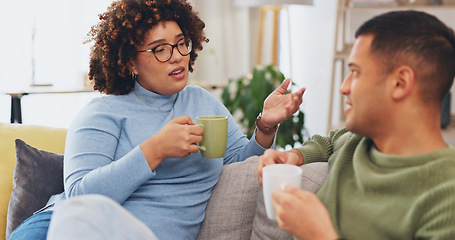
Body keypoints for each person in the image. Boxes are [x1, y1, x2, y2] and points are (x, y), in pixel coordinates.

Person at [7, 0, 305, 240]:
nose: (177, 56)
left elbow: (239, 163)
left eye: (181, 43)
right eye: (160, 49)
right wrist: (155, 150)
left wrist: (265, 125)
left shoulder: (202, 101)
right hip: (62, 227)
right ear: (129, 61)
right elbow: (79, 199)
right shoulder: (102, 112)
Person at [257, 10, 455, 240]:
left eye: (355, 72)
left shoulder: (446, 196)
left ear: (400, 83)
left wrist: (319, 235)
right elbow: (329, 142)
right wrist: (294, 156)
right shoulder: (358, 141)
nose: (344, 87)